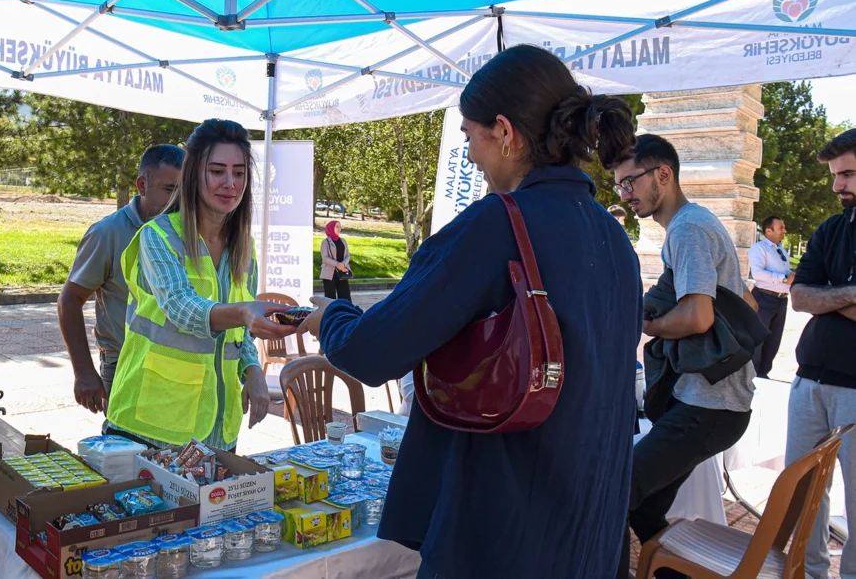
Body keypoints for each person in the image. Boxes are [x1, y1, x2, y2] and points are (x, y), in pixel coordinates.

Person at [299, 44, 642, 578]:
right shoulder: (612, 236)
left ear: (504, 131)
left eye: (470, 137)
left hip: (502, 530)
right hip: (588, 532)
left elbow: (372, 351)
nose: (473, 157)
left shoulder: (496, 225)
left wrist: (330, 319)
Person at [613, 134, 758, 579]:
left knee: (612, 494)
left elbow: (697, 317)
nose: (625, 193)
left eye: (630, 182)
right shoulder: (695, 223)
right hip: (714, 403)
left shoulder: (688, 229)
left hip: (707, 406)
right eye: (618, 186)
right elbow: (747, 304)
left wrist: (648, 323)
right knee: (643, 510)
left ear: (664, 174)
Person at [104, 119, 297, 451]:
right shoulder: (159, 235)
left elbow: (240, 333)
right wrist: (245, 314)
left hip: (217, 432)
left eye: (239, 173)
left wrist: (251, 368)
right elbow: (182, 308)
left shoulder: (243, 248)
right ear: (194, 174)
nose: (230, 183)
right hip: (151, 427)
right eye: (217, 171)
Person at [59, 144, 183, 420]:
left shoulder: (186, 230)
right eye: (169, 190)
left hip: (178, 368)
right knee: (126, 458)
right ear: (142, 184)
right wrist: (83, 372)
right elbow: (69, 300)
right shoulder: (108, 232)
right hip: (126, 366)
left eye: (184, 192)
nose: (178, 201)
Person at [786, 128, 856, 579]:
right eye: (835, 175)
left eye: (847, 174)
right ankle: (808, 574)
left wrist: (827, 293)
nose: (837, 186)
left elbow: (815, 294)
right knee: (803, 491)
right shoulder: (831, 228)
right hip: (808, 378)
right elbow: (798, 297)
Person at [748, 215, 792, 379]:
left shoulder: (781, 250)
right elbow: (758, 273)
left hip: (781, 300)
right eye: (781, 227)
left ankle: (763, 373)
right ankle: (752, 374)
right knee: (758, 338)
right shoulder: (759, 249)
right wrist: (783, 278)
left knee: (774, 339)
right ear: (768, 230)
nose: (784, 231)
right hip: (764, 298)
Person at [320, 220, 352, 301]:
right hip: (329, 272)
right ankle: (331, 312)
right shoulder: (325, 242)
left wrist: (343, 265)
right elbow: (325, 257)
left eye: (340, 227)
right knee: (330, 296)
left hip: (342, 271)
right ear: (331, 228)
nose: (339, 229)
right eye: (336, 226)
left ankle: (345, 312)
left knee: (345, 295)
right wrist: (337, 264)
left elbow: (347, 255)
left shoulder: (343, 241)